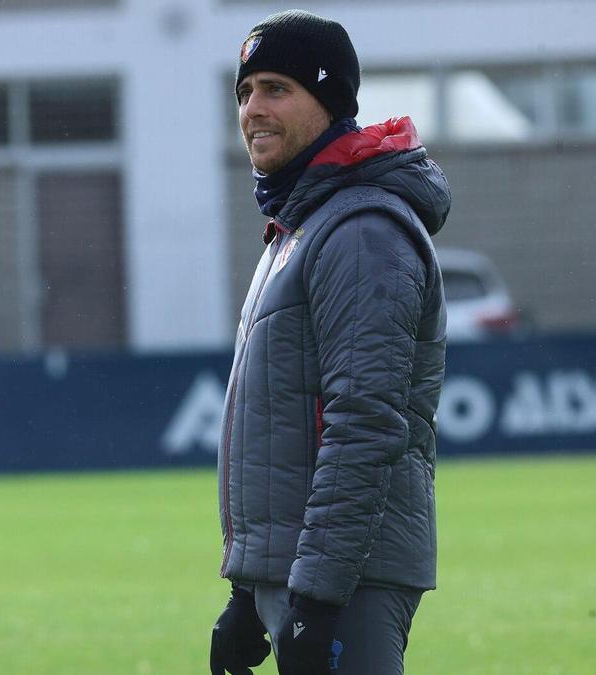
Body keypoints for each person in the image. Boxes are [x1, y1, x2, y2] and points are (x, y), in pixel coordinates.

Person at [208, 10, 450, 675]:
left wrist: (315, 593)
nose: (253, 108)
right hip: (298, 574)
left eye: (276, 88)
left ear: (331, 100)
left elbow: (365, 422)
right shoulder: (301, 225)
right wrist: (246, 589)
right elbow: (283, 423)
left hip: (346, 581)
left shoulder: (361, 230)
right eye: (245, 90)